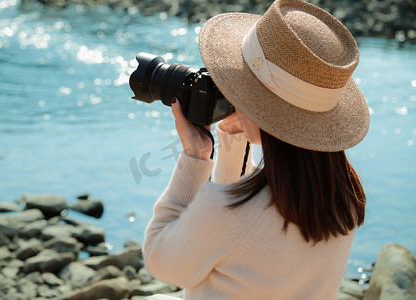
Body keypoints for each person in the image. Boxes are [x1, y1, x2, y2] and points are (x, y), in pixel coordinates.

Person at [143, 0, 369, 299]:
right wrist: (235, 136)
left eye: (238, 86)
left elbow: (163, 263)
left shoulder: (226, 210)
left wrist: (195, 158)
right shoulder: (343, 199)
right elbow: (241, 235)